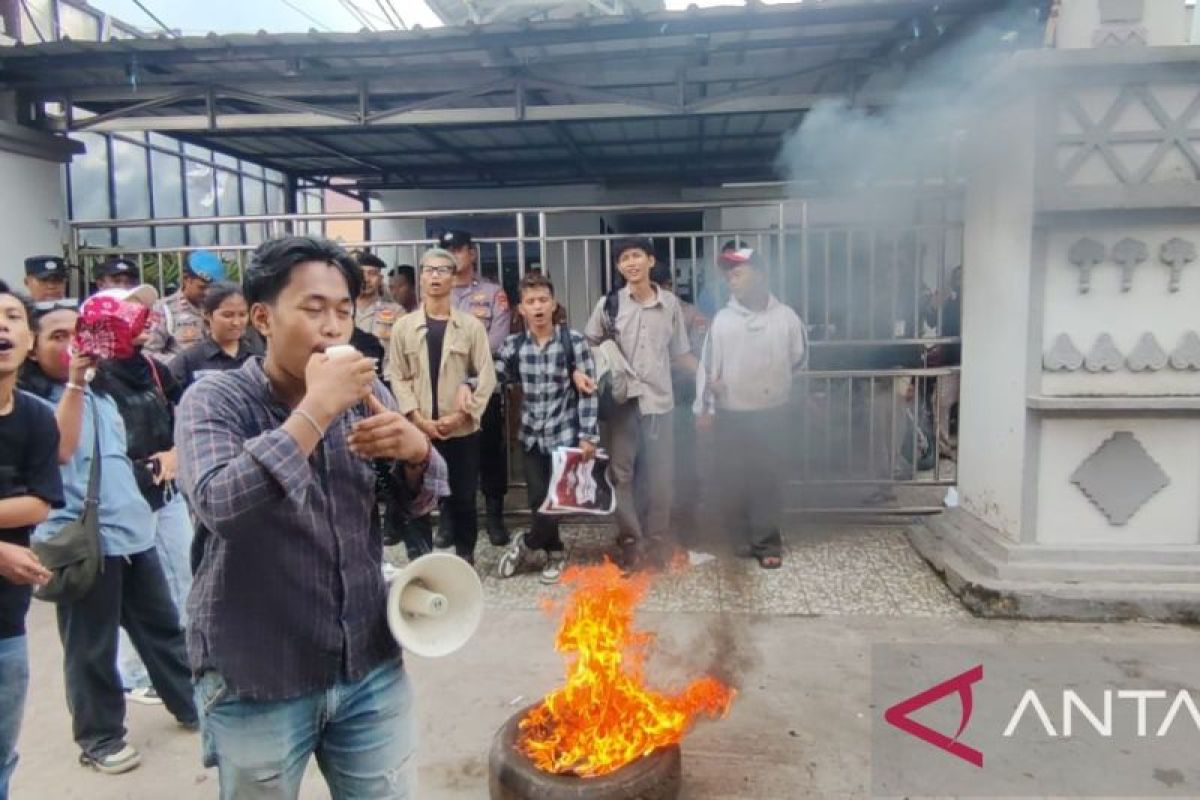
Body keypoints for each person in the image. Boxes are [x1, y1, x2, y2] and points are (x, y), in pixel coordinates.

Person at [175, 235, 428, 799]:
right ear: (263, 318)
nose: (333, 327)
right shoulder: (214, 400)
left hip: (366, 665)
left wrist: (415, 455)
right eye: (313, 310)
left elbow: (419, 499)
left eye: (343, 311)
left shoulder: (368, 391)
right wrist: (317, 409)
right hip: (258, 676)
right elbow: (221, 503)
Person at [21, 301, 197, 775]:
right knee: (91, 645)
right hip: (82, 543)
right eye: (55, 336)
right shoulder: (34, 403)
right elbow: (58, 451)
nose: (69, 344)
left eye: (75, 334)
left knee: (161, 628)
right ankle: (99, 738)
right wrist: (75, 384)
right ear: (32, 350)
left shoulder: (103, 394)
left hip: (131, 532)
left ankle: (190, 703)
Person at [84, 286, 197, 706]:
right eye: (132, 312)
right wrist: (142, 469)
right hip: (121, 500)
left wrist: (174, 453)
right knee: (136, 592)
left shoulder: (152, 367)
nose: (143, 320)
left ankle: (185, 662)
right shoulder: (92, 378)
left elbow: (181, 413)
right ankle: (133, 673)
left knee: (184, 570)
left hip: (164, 491)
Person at [584, 237, 697, 569]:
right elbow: (589, 342)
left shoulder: (671, 305)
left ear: (650, 261)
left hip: (660, 404)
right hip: (622, 405)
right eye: (624, 259)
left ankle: (658, 540)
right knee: (622, 475)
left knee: (662, 478)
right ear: (619, 267)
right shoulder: (609, 305)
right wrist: (604, 364)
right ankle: (631, 541)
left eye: (636, 256)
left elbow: (681, 353)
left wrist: (707, 379)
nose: (631, 263)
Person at [695, 247, 807, 569]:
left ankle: (767, 542)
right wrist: (706, 409)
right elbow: (707, 367)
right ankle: (740, 537)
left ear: (760, 274)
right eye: (729, 275)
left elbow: (799, 359)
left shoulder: (786, 317)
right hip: (733, 413)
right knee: (733, 478)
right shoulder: (723, 321)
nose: (732, 280)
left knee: (767, 477)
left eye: (738, 273)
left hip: (773, 412)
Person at [388, 247, 496, 565]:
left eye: (442, 270)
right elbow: (398, 376)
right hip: (418, 429)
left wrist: (462, 414)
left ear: (453, 277)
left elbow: (485, 376)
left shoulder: (471, 327)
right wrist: (417, 418)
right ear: (421, 276)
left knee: (463, 497)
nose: (435, 276)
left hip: (460, 429)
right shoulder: (403, 327)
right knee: (415, 497)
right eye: (429, 270)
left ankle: (465, 556)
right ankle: (421, 560)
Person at [494, 273, 599, 585]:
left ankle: (527, 544)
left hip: (563, 434)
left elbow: (588, 391)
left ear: (554, 305)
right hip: (530, 435)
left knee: (556, 500)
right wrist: (465, 385)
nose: (537, 307)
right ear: (521, 309)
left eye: (543, 300)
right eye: (530, 302)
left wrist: (587, 435)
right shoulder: (513, 346)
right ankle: (554, 550)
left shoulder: (574, 342)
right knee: (539, 498)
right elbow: (493, 377)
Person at [0, 282, 62, 797]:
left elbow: (39, 502)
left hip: (6, 620)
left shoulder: (37, 417)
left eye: (13, 317)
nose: (2, 326)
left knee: (1, 753)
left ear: (29, 340)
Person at [442, 230, 512, 546]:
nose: (452, 255)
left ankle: (494, 517)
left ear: (472, 253)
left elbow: (497, 339)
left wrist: (465, 364)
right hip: (443, 389)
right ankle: (447, 519)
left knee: (489, 453)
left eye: (458, 250)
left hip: (483, 387)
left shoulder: (493, 292)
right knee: (444, 454)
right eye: (447, 250)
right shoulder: (434, 292)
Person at [650, 263, 709, 541]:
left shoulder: (690, 314)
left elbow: (697, 356)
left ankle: (687, 520)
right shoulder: (635, 310)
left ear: (671, 287)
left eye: (664, 287)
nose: (660, 293)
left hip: (682, 396)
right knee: (649, 463)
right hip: (648, 400)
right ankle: (656, 522)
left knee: (684, 459)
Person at [168, 283, 261, 393]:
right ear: (207, 314)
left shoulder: (257, 358)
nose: (236, 323)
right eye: (227, 315)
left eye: (242, 315)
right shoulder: (188, 360)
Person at [144, 250, 225, 359]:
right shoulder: (164, 309)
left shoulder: (222, 308)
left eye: (213, 288)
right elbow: (149, 352)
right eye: (202, 287)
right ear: (186, 279)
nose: (208, 293)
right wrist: (181, 365)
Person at [354, 252, 403, 345]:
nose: (366, 279)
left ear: (380, 279)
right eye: (360, 273)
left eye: (372, 273)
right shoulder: (343, 310)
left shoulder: (396, 311)